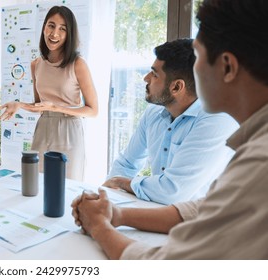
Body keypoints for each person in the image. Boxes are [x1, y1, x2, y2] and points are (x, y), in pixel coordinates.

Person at [72, 0, 268, 259]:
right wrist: (116, 214)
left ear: (227, 67)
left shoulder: (259, 161)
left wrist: (98, 226)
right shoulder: (254, 144)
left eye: (198, 57)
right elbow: (204, 208)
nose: (193, 71)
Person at [104, 38, 238, 205]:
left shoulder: (218, 120)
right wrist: (109, 195)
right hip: (159, 213)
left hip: (205, 223)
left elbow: (172, 191)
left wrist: (121, 182)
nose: (146, 78)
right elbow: (126, 163)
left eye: (154, 74)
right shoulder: (153, 113)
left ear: (176, 87)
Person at [0, 5, 98, 181]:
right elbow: (39, 106)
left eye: (62, 29)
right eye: (51, 25)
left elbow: (93, 110)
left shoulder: (78, 64)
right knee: (37, 185)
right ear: (44, 27)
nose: (54, 34)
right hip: (43, 129)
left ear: (70, 34)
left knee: (67, 188)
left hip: (69, 130)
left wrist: (57, 107)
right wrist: (19, 104)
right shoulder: (36, 64)